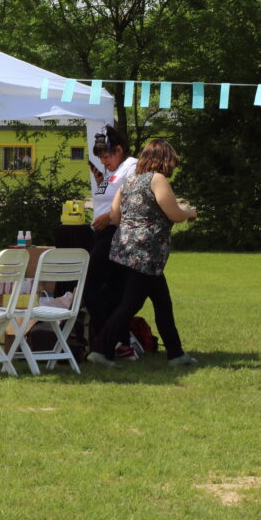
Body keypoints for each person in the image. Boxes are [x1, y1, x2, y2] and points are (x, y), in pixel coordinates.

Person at [89, 139, 198, 368]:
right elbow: (174, 214)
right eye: (171, 162)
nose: (172, 167)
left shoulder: (128, 181)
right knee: (130, 305)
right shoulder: (157, 179)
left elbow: (115, 216)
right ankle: (101, 350)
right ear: (163, 160)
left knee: (163, 302)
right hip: (146, 254)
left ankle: (176, 354)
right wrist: (189, 213)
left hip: (126, 250)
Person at [84, 125, 138, 353]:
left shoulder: (131, 166)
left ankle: (105, 339)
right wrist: (100, 181)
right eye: (100, 158)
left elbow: (135, 200)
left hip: (115, 233)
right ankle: (121, 342)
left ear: (119, 150)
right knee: (114, 290)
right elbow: (105, 196)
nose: (104, 162)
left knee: (90, 287)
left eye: (107, 156)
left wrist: (108, 217)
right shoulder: (109, 172)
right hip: (101, 234)